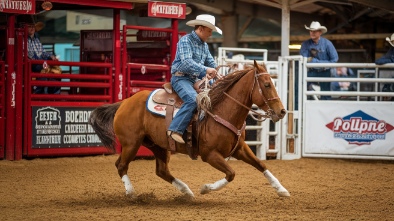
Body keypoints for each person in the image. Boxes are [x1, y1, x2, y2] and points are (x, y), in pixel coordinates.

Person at [167, 14, 222, 143]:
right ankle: (175, 129)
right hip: (181, 78)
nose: (210, 34)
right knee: (193, 100)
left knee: (217, 97)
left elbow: (210, 62)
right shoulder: (185, 40)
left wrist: (218, 73)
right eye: (209, 31)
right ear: (201, 28)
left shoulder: (204, 45)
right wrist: (205, 70)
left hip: (196, 79)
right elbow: (186, 62)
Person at [300, 21, 338, 100]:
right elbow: (304, 58)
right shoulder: (305, 44)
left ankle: (325, 109)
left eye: (315, 31)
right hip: (310, 71)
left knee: (325, 93)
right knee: (300, 88)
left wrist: (315, 62)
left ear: (320, 32)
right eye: (311, 31)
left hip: (324, 71)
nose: (312, 33)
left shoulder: (327, 44)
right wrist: (323, 63)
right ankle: (300, 107)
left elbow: (335, 59)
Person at [23, 17, 59, 94]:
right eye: (29, 26)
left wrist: (51, 56)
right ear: (25, 28)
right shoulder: (23, 39)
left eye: (33, 26)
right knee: (43, 74)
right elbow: (30, 55)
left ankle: (52, 95)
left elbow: (42, 52)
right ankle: (38, 94)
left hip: (39, 63)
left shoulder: (36, 39)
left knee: (55, 74)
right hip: (31, 65)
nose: (32, 28)